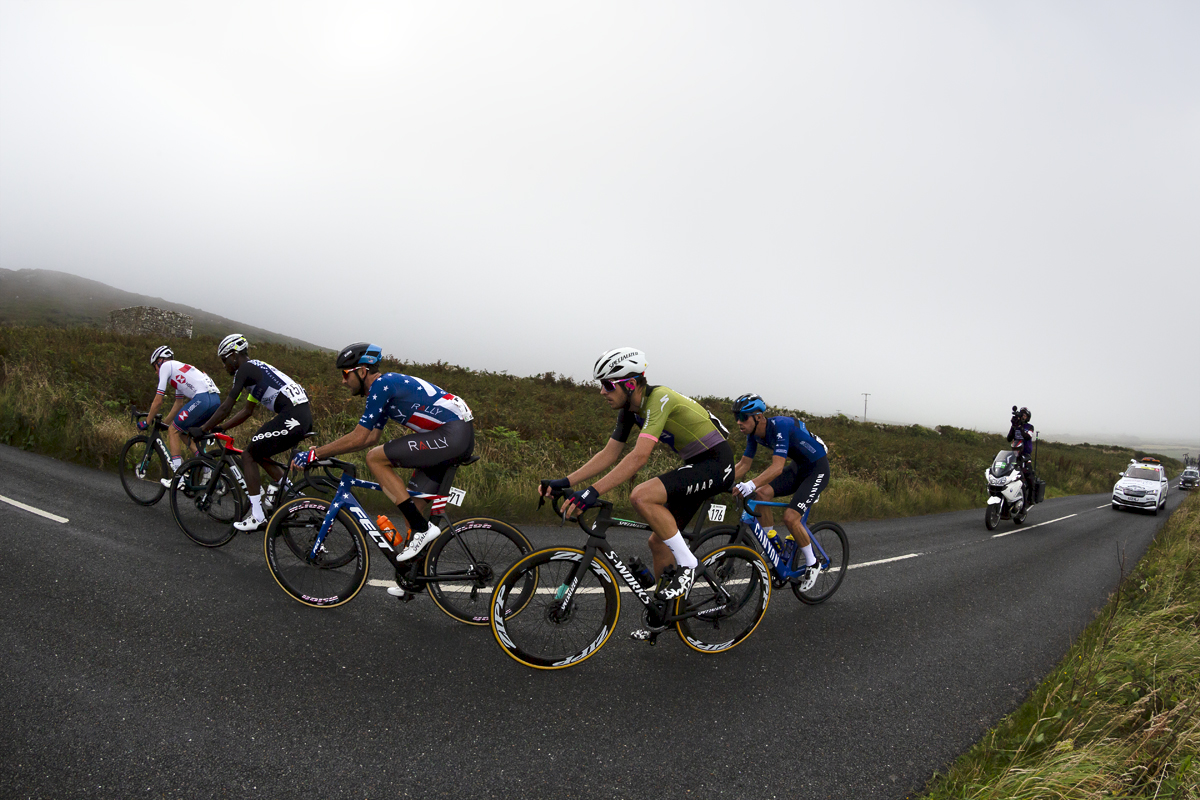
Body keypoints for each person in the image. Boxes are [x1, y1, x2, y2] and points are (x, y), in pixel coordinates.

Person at [541, 348, 735, 613]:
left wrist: (592, 492)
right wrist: (565, 481)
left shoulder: (660, 398)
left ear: (630, 384)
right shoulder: (630, 409)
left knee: (642, 495)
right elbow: (609, 453)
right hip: (696, 465)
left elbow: (639, 456)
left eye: (607, 385)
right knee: (658, 542)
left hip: (716, 464)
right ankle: (668, 610)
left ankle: (688, 567)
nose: (602, 392)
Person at [291, 342, 475, 587]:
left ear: (362, 371)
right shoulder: (382, 391)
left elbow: (360, 439)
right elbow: (369, 438)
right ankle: (413, 579)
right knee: (413, 509)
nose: (343, 381)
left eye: (346, 374)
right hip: (451, 436)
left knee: (375, 458)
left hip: (452, 435)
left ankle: (423, 529)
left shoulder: (382, 385)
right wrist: (322, 452)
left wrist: (314, 455)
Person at [190, 334, 313, 531]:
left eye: (224, 360)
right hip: (301, 415)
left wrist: (203, 429)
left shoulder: (245, 370)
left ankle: (257, 516)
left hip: (293, 416)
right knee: (259, 451)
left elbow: (226, 407)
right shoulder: (255, 371)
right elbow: (247, 411)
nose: (224, 366)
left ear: (234, 355)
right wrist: (221, 428)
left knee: (249, 455)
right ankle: (292, 497)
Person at [730, 394, 830, 592]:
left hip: (816, 469)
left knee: (791, 517)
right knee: (761, 494)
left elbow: (777, 467)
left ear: (758, 416)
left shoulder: (780, 426)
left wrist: (749, 484)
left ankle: (813, 563)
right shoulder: (753, 435)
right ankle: (773, 543)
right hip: (798, 468)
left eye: (743, 417)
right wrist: (720, 480)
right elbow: (743, 465)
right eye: (736, 417)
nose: (739, 422)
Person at [140, 345, 221, 487]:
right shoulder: (178, 370)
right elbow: (178, 403)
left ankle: (179, 478)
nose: (155, 372)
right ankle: (208, 470)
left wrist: (147, 421)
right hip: (215, 401)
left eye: (155, 367)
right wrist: (164, 423)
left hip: (203, 399)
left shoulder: (166, 367)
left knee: (173, 430)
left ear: (160, 361)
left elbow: (158, 401)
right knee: (183, 432)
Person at [1006, 406, 1036, 504]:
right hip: (1015, 455)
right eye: (1021, 414)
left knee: (1029, 475)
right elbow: (1009, 438)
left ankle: (1030, 499)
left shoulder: (1030, 427)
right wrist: (1013, 426)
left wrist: (1020, 427)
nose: (1022, 417)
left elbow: (1027, 436)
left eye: (1024, 415)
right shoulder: (1015, 426)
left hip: (1025, 455)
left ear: (1027, 417)